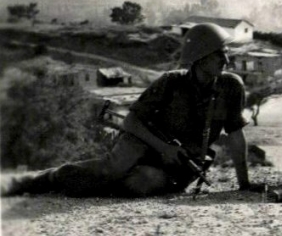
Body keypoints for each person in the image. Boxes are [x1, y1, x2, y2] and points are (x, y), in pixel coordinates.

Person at [2, 23, 262, 197]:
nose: (227, 60)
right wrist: (164, 148)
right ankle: (38, 181)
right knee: (111, 171)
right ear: (200, 57)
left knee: (140, 183)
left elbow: (236, 136)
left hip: (180, 165)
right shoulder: (170, 82)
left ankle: (82, 183)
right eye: (220, 54)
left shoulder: (230, 86)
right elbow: (131, 122)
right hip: (144, 143)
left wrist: (244, 184)